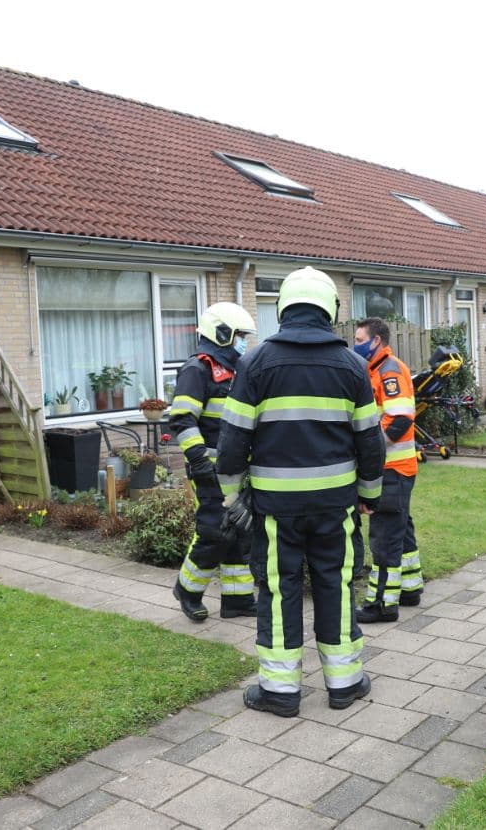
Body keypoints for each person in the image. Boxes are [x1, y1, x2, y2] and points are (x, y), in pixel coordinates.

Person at [217, 266, 385, 716]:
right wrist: (369, 494)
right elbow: (370, 439)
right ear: (330, 308)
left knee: (278, 589)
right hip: (337, 504)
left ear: (284, 308)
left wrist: (231, 495)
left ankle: (280, 692)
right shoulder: (352, 364)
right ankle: (345, 685)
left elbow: (232, 440)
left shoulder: (254, 362)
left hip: (275, 508)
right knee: (336, 583)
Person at [171, 302, 259, 622]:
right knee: (215, 531)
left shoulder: (237, 371)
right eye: (240, 336)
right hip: (208, 469)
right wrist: (197, 459)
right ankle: (187, 589)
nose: (245, 343)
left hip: (235, 469)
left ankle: (238, 600)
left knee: (240, 530)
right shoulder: (198, 368)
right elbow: (182, 418)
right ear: (222, 334)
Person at [352, 317, 420, 623]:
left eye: (359, 339)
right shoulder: (375, 370)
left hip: (391, 468)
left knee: (383, 538)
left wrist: (370, 451)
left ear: (376, 340)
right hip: (397, 467)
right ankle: (410, 587)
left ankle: (381, 604)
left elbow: (401, 419)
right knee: (400, 529)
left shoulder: (388, 371)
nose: (356, 344)